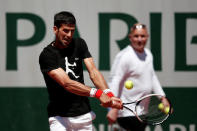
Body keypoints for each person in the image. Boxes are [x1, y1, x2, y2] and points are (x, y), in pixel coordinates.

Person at [39, 11, 122, 131]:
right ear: (55, 29)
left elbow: (93, 72)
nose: (69, 34)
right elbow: (67, 83)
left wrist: (109, 94)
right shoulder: (47, 55)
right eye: (65, 30)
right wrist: (99, 94)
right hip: (59, 119)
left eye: (72, 31)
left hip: (84, 116)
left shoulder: (79, 44)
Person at [106, 23, 168, 131]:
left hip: (142, 111)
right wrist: (113, 107)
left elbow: (152, 76)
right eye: (136, 36)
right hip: (126, 112)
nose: (139, 39)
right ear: (130, 37)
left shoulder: (148, 54)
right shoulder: (125, 56)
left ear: (147, 37)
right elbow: (114, 81)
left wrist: (162, 97)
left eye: (142, 36)